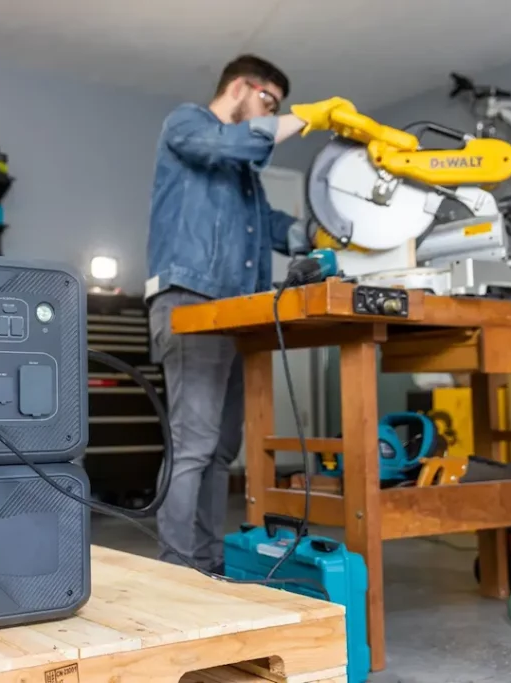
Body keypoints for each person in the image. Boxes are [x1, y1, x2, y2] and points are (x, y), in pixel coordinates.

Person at [145, 54, 353, 572]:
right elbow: (224, 144)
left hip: (236, 315)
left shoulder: (242, 179)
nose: (272, 114)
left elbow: (275, 227)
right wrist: (304, 116)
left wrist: (325, 228)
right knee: (193, 445)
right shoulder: (188, 124)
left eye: (278, 108)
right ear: (241, 87)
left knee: (220, 450)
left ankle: (208, 565)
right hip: (191, 301)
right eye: (269, 101)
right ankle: (174, 569)